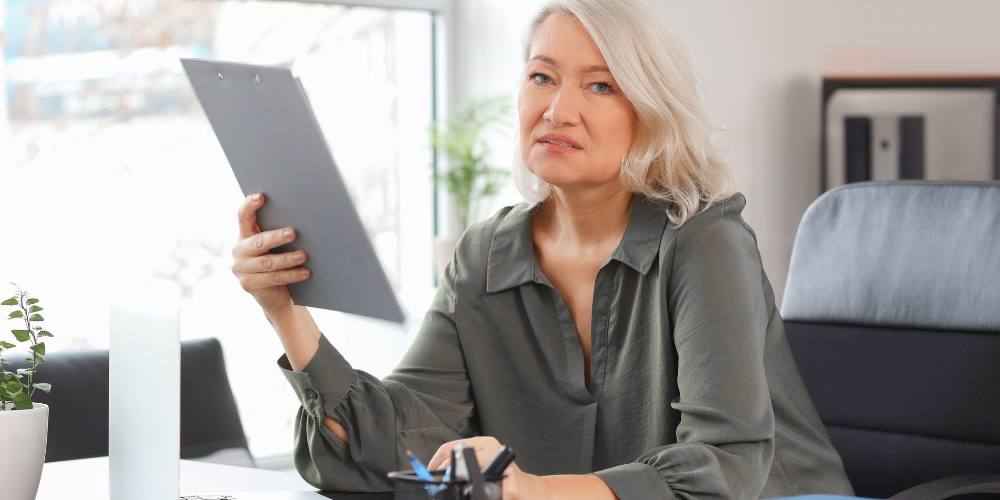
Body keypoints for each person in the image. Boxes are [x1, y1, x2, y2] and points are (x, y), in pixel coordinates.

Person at [230, 0, 855, 499]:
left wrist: (533, 490)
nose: (559, 109)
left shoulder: (704, 240)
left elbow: (725, 466)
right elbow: (393, 445)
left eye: (600, 86)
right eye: (541, 77)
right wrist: (284, 309)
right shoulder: (485, 257)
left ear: (652, 111)